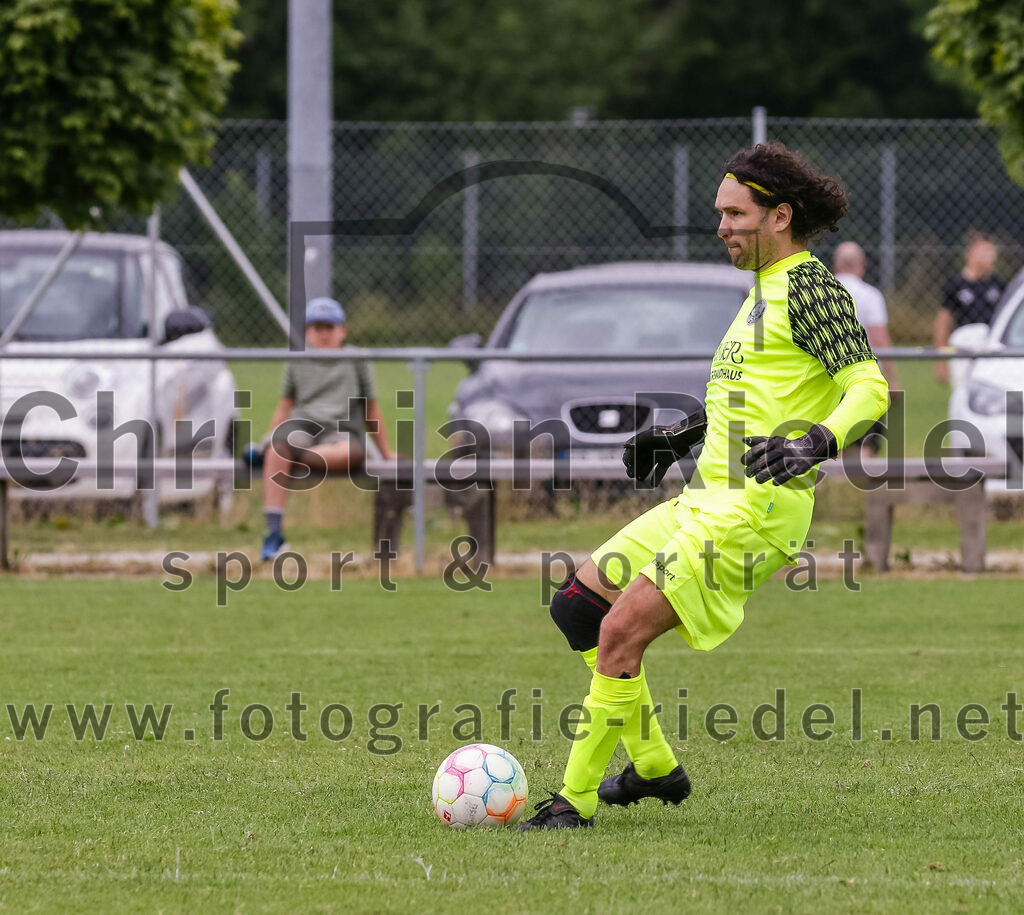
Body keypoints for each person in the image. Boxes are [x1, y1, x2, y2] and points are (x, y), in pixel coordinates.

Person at [517, 142, 889, 831]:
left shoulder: (811, 287)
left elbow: (869, 387)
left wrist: (816, 440)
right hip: (704, 498)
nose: (721, 226)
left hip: (755, 509)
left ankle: (573, 802)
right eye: (720, 212)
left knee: (620, 630)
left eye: (735, 214)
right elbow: (749, 396)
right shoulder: (760, 291)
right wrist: (679, 436)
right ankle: (655, 768)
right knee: (579, 608)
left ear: (780, 216)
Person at [260, 297, 394, 560]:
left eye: (329, 327)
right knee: (277, 447)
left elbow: (371, 409)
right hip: (303, 425)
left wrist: (386, 453)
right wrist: (270, 436)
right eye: (316, 327)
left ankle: (285, 457)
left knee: (348, 453)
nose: (322, 334)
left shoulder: (357, 359)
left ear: (342, 331)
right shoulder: (296, 359)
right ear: (307, 332)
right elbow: (285, 406)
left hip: (341, 430)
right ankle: (273, 534)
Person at [833, 241, 899, 454]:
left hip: (829, 378)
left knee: (831, 442)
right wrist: (892, 380)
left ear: (835, 265)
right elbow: (879, 340)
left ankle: (834, 475)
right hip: (862, 378)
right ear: (862, 264)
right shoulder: (870, 295)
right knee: (867, 443)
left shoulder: (820, 293)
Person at [934, 235, 1004, 385]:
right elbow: (943, 323)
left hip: (991, 344)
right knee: (963, 388)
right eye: (985, 251)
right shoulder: (955, 284)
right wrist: (941, 361)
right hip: (963, 343)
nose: (991, 257)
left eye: (992, 252)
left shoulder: (998, 284)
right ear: (970, 254)